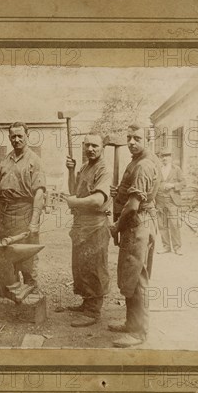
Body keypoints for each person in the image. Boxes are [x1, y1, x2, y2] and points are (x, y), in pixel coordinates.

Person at [108, 124, 160, 347]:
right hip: (136, 223)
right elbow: (129, 194)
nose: (131, 142)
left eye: (136, 137)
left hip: (137, 224)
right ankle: (131, 323)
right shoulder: (136, 160)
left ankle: (139, 332)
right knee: (131, 274)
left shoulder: (143, 166)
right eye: (128, 137)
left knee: (138, 278)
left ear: (147, 139)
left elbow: (133, 205)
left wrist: (116, 226)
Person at [64, 134, 112, 328]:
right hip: (81, 224)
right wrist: (71, 170)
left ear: (102, 148)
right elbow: (74, 190)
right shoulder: (84, 167)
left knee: (94, 267)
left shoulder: (103, 169)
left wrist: (73, 202)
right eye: (87, 145)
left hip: (96, 224)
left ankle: (93, 311)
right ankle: (86, 302)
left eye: (95, 145)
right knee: (81, 265)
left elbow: (98, 200)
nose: (90, 149)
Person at [0, 122, 46, 291]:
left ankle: (31, 289)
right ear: (9, 138)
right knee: (7, 253)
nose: (16, 139)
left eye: (20, 136)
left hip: (25, 212)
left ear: (27, 137)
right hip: (6, 214)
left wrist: (34, 221)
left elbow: (39, 193)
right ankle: (11, 289)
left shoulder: (35, 161)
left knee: (27, 254)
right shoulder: (5, 160)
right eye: (13, 136)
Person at [155, 149, 186, 255]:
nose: (165, 158)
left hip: (172, 201)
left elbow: (184, 183)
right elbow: (154, 183)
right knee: (162, 224)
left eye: (167, 156)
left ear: (171, 157)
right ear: (160, 158)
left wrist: (173, 185)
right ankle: (166, 246)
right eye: (162, 156)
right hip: (160, 200)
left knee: (174, 224)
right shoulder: (157, 169)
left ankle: (177, 247)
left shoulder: (176, 169)